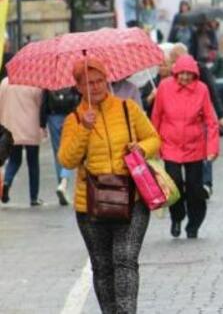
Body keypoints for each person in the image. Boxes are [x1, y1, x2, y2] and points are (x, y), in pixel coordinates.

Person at [58, 58, 160, 313]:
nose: (95, 87)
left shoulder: (128, 108)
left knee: (125, 260)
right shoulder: (74, 119)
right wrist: (84, 129)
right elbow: (67, 160)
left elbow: (154, 138)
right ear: (79, 87)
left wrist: (141, 148)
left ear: (107, 80)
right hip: (91, 204)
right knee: (102, 266)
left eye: (99, 81)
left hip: (131, 198)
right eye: (88, 83)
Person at [152, 54, 219, 239]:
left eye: (189, 74)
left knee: (195, 189)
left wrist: (212, 148)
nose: (185, 77)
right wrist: (154, 146)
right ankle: (177, 217)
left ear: (195, 74)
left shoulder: (202, 90)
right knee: (174, 185)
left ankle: (194, 223)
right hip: (170, 145)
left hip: (194, 146)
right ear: (175, 72)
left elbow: (210, 121)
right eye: (181, 73)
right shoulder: (164, 87)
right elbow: (156, 117)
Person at [169, 44, 223, 197]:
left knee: (205, 150)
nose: (174, 63)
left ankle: (206, 184)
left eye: (177, 58)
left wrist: (221, 114)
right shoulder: (171, 76)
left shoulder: (201, 70)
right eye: (173, 60)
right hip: (177, 130)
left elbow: (213, 92)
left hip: (200, 120)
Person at [0, 78, 44, 206]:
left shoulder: (4, 83)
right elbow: (40, 104)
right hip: (31, 126)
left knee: (14, 160)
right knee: (33, 163)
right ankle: (34, 197)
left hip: (11, 127)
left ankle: (6, 183)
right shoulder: (34, 83)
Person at [40, 87, 81, 205]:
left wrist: (42, 123)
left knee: (58, 151)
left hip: (53, 117)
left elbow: (44, 103)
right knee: (69, 150)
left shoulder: (49, 82)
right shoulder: (72, 79)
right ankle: (64, 182)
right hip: (70, 115)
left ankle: (61, 183)